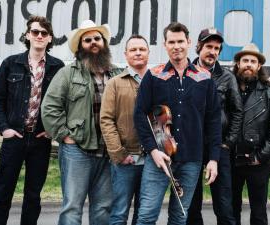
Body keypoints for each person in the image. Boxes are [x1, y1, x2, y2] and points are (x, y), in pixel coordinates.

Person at [133, 22, 222, 225]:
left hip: (192, 159)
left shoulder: (204, 78)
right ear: (165, 45)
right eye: (171, 42)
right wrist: (152, 150)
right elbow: (139, 115)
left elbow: (214, 121)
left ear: (189, 43)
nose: (176, 46)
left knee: (179, 216)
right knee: (146, 215)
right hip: (160, 156)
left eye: (180, 41)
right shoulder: (154, 75)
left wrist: (213, 158)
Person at [41, 20, 122, 225]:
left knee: (103, 208)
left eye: (97, 38)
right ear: (80, 47)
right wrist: (64, 136)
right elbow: (50, 107)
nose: (93, 42)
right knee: (72, 207)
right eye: (87, 40)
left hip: (109, 152)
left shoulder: (118, 74)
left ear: (104, 43)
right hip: (77, 150)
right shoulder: (67, 73)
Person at [0, 15, 64, 225]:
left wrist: (52, 130)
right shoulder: (11, 63)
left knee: (33, 196)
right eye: (35, 31)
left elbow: (64, 103)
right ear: (27, 35)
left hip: (40, 140)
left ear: (50, 39)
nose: (39, 36)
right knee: (3, 192)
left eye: (44, 33)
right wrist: (4, 129)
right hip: (14, 138)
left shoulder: (58, 67)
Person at [187, 28, 242, 225]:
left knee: (224, 205)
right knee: (191, 205)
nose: (213, 51)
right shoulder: (185, 73)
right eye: (209, 46)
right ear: (199, 47)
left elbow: (237, 112)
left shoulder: (227, 77)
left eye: (217, 48)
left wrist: (228, 143)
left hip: (219, 148)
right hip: (190, 147)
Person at [231, 43, 270, 225]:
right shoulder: (226, 89)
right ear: (238, 63)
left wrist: (261, 156)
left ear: (259, 66)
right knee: (230, 209)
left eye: (253, 61)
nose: (248, 64)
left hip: (257, 161)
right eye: (244, 60)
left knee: (259, 210)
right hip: (231, 160)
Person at [100, 34, 150, 225]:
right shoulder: (115, 83)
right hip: (125, 161)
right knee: (120, 212)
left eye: (142, 49)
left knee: (144, 214)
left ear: (148, 53)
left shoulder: (157, 81)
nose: (138, 53)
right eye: (133, 49)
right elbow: (106, 120)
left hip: (151, 161)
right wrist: (119, 153)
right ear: (126, 54)